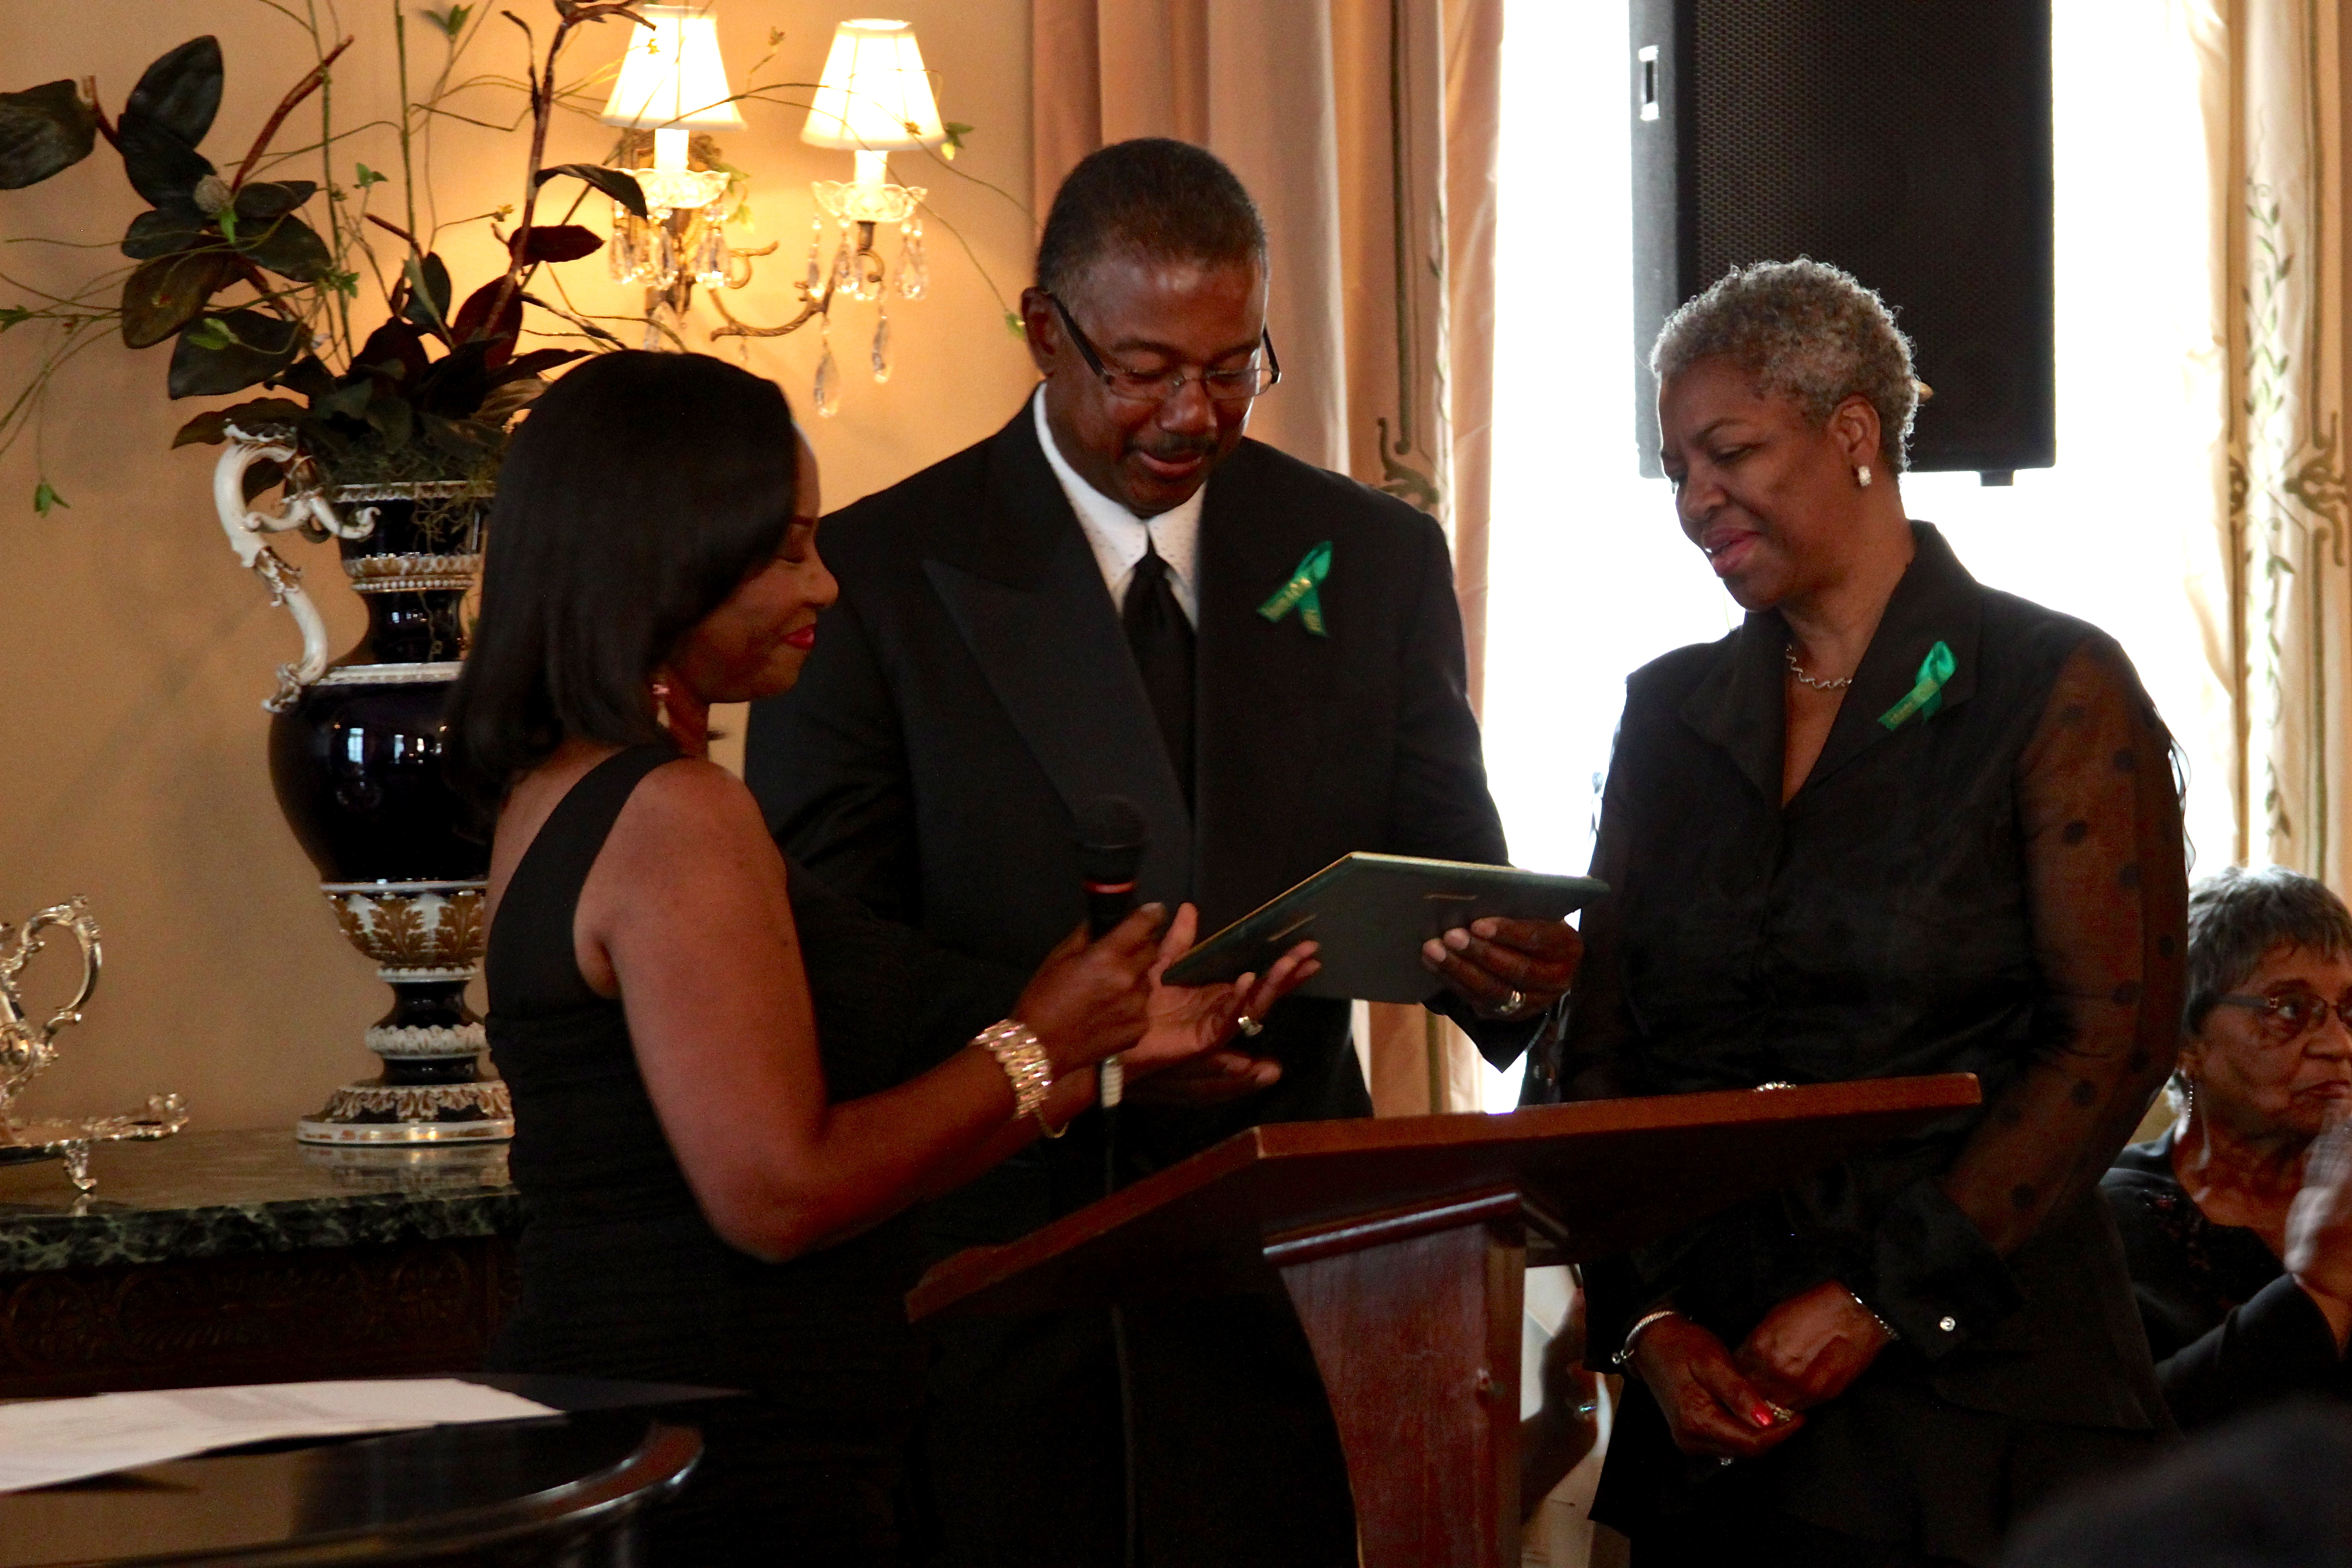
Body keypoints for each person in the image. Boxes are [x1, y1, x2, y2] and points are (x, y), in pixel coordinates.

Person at [745, 137, 1580, 1567]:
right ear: (1042, 330)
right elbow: (836, 954)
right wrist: (1093, 1050)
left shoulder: (1368, 557)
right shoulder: (877, 573)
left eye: (1232, 368)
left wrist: (1506, 968)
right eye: (1142, 371)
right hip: (1000, 1265)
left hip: (1280, 1280)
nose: (1192, 414)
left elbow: (1448, 873)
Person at [443, 350, 1314, 1566]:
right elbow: (778, 1196)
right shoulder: (676, 814)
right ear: (666, 558)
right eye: (788, 550)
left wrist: (1100, 1058)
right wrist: (1041, 1039)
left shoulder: (562, 788)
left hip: (692, 1444)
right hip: (711, 1473)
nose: (826, 584)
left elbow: (824, 1129)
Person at [1529, 258, 2186, 1567]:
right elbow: (1599, 1053)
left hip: (1983, 1404)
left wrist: (1881, 1301)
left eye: (1730, 453)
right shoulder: (1667, 712)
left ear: (1853, 434)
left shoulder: (2050, 682)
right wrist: (1650, 1326)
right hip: (1715, 1418)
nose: (1695, 499)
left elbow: (2111, 1043)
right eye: (1676, 469)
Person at [2102, 866, 2352, 1429]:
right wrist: (2319, 1293)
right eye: (2290, 1009)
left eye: (2350, 1010)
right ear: (2185, 1039)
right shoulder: (2105, 1221)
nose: (2339, 1045)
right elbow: (2129, 1437)